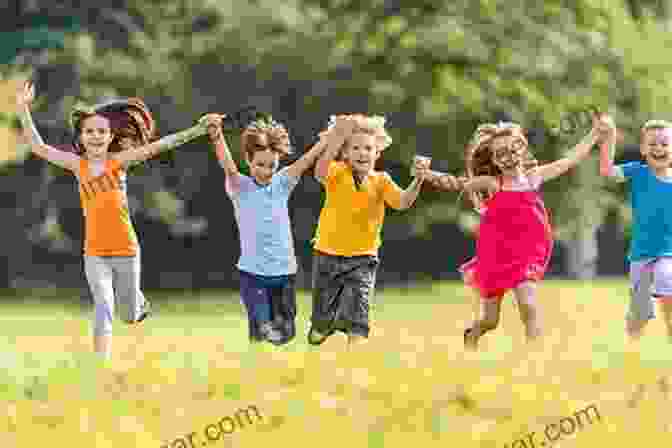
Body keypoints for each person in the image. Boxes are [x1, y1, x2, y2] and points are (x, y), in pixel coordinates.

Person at [16, 80, 219, 360]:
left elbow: (161, 145)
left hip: (126, 249)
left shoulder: (119, 162)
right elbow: (38, 147)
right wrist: (23, 108)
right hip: (95, 252)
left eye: (101, 131)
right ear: (82, 136)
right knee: (103, 306)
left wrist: (198, 129)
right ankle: (101, 364)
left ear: (111, 136)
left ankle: (138, 304)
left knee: (130, 315)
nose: (96, 136)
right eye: (89, 132)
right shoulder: (78, 165)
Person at [430, 118, 607, 351]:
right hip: (497, 255)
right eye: (501, 153)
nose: (509, 157)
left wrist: (595, 135)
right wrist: (427, 174)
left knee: (529, 305)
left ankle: (535, 356)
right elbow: (455, 183)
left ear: (522, 149)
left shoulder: (534, 177)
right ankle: (472, 334)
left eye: (513, 149)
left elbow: (570, 159)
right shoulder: (493, 183)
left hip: (528, 253)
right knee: (490, 320)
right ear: (493, 160)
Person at [309, 114, 430, 347]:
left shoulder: (381, 181)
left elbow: (402, 202)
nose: (362, 153)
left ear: (377, 153)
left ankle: (355, 355)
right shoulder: (336, 172)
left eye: (368, 148)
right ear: (345, 153)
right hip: (327, 254)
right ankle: (322, 325)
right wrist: (338, 136)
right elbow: (319, 172)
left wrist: (417, 181)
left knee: (358, 312)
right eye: (355, 148)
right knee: (322, 320)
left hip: (363, 258)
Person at [207, 114, 327, 345]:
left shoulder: (282, 183)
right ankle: (259, 349)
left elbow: (306, 161)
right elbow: (227, 166)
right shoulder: (240, 186)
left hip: (284, 273)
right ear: (249, 161)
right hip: (253, 274)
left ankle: (272, 342)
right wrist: (217, 136)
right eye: (260, 164)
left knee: (287, 331)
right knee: (261, 327)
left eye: (271, 165)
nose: (266, 170)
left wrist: (326, 140)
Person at [599, 117, 672, 343]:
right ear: (642, 149)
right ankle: (632, 344)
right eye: (652, 144)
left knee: (666, 279)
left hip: (669, 252)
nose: (658, 148)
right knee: (639, 313)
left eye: (664, 144)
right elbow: (607, 171)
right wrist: (609, 138)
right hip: (641, 253)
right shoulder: (637, 172)